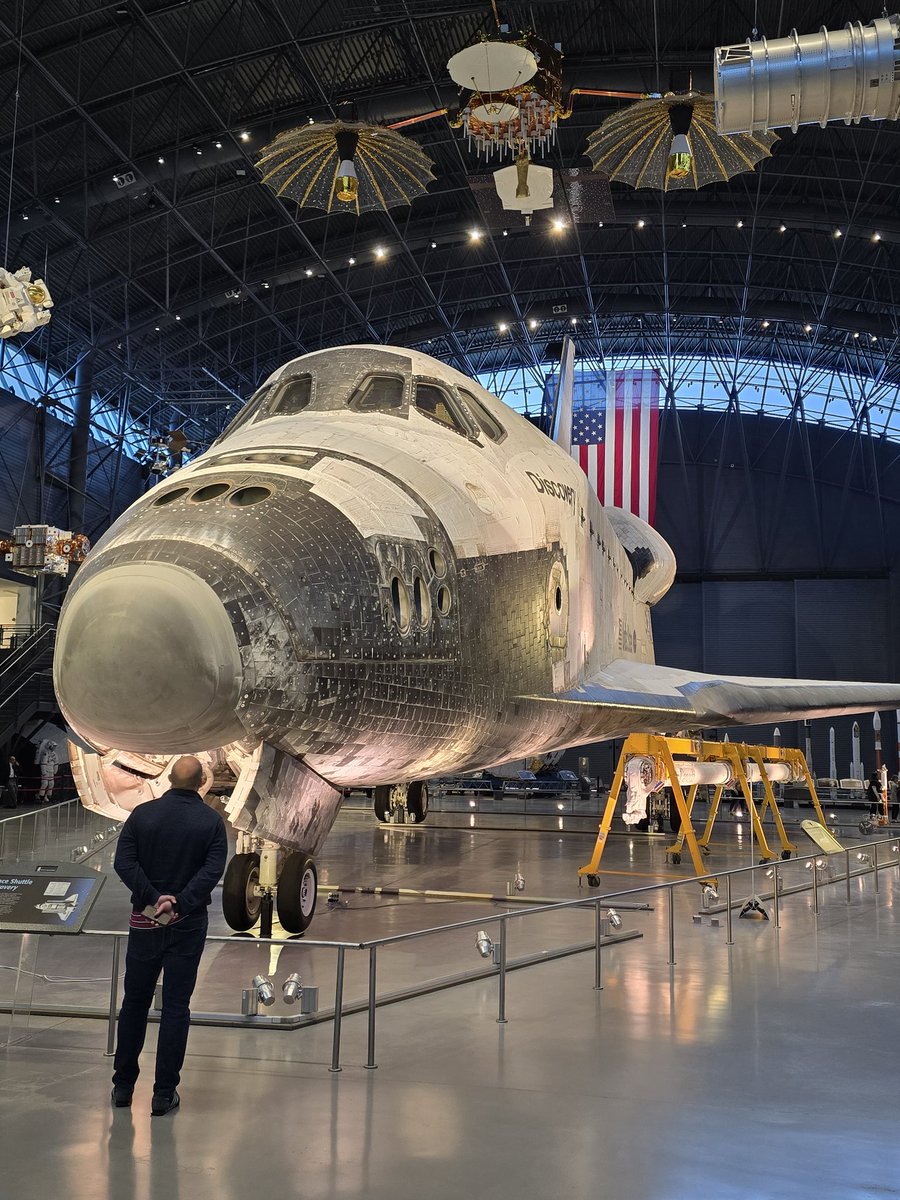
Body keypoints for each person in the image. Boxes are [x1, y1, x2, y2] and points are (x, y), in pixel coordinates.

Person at [111, 755, 226, 1117]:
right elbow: (212, 870)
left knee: (134, 1003)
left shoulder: (142, 815)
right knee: (176, 1007)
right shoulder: (210, 821)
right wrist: (180, 903)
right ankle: (163, 1095)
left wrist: (152, 898)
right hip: (187, 924)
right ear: (201, 782)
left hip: (145, 921)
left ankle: (123, 1087)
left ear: (169, 779)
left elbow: (123, 863)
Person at [35, 739, 58, 804]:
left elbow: (56, 763)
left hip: (51, 771)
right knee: (45, 784)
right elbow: (43, 763)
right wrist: (44, 772)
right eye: (53, 746)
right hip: (46, 771)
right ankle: (40, 797)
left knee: (51, 784)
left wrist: (55, 770)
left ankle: (48, 796)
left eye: (55, 746)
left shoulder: (54, 754)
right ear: (50, 746)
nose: (54, 748)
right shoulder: (45, 753)